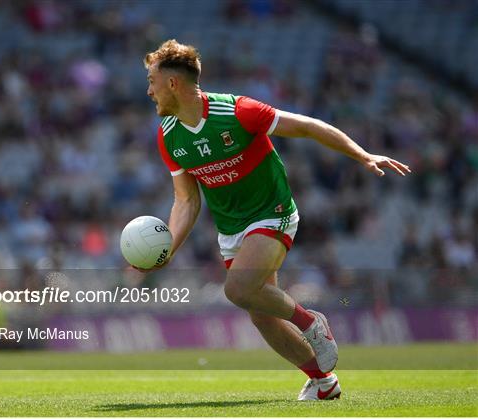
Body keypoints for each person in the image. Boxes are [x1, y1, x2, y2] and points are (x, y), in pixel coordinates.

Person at [143, 39, 411, 401]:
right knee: (261, 315)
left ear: (173, 84)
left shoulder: (238, 111)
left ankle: (311, 323)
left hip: (273, 213)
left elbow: (307, 126)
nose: (149, 91)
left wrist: (361, 154)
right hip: (231, 229)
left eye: (153, 82)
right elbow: (187, 201)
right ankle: (323, 381)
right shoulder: (169, 136)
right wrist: (167, 249)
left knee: (237, 290)